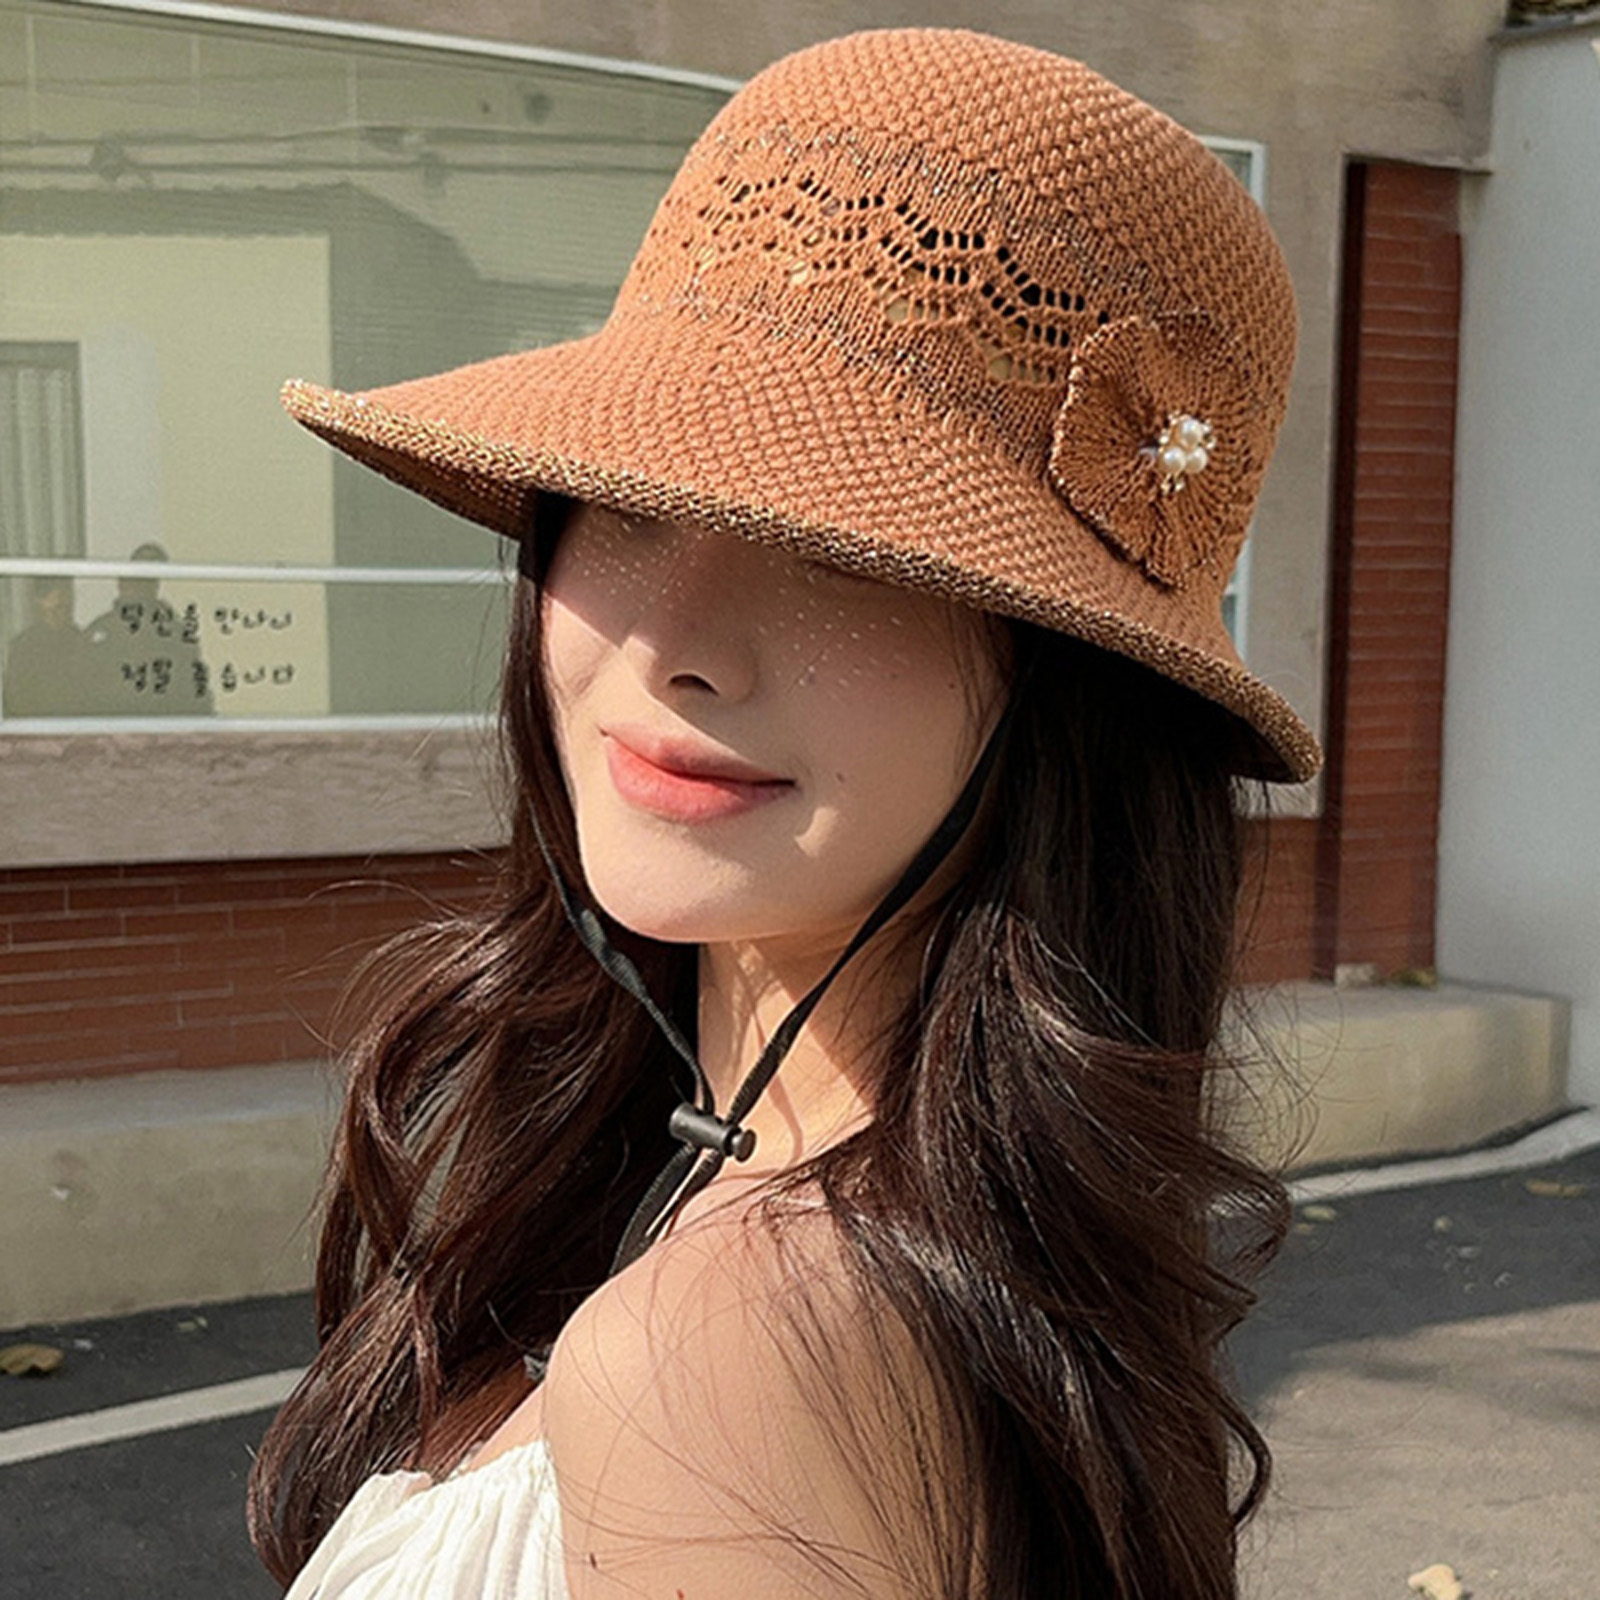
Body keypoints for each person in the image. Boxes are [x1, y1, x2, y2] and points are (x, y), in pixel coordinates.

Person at [251, 28, 1321, 1600]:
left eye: (846, 553)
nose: (674, 645)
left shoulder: (730, 1355)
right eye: (628, 503)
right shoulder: (757, 1189)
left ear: (1070, 689)